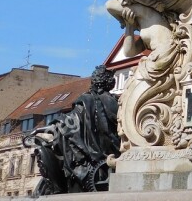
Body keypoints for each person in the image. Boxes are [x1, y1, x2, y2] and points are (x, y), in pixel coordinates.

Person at [25, 66, 120, 194]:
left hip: (88, 163)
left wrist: (42, 130)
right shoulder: (116, 102)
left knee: (50, 157)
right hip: (112, 159)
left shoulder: (86, 100)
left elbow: (67, 123)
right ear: (110, 83)